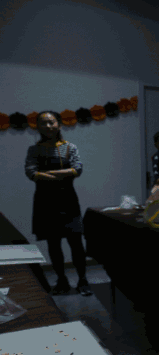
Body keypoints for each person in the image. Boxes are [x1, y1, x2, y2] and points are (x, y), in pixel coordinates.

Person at [24, 111, 93, 296]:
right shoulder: (34, 149)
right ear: (38, 127)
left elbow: (77, 169)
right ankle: (62, 281)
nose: (48, 126)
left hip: (68, 201)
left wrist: (48, 174)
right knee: (53, 244)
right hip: (45, 203)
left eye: (51, 122)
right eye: (43, 123)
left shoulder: (70, 147)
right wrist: (64, 173)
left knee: (76, 243)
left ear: (59, 124)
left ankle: (83, 280)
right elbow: (31, 172)